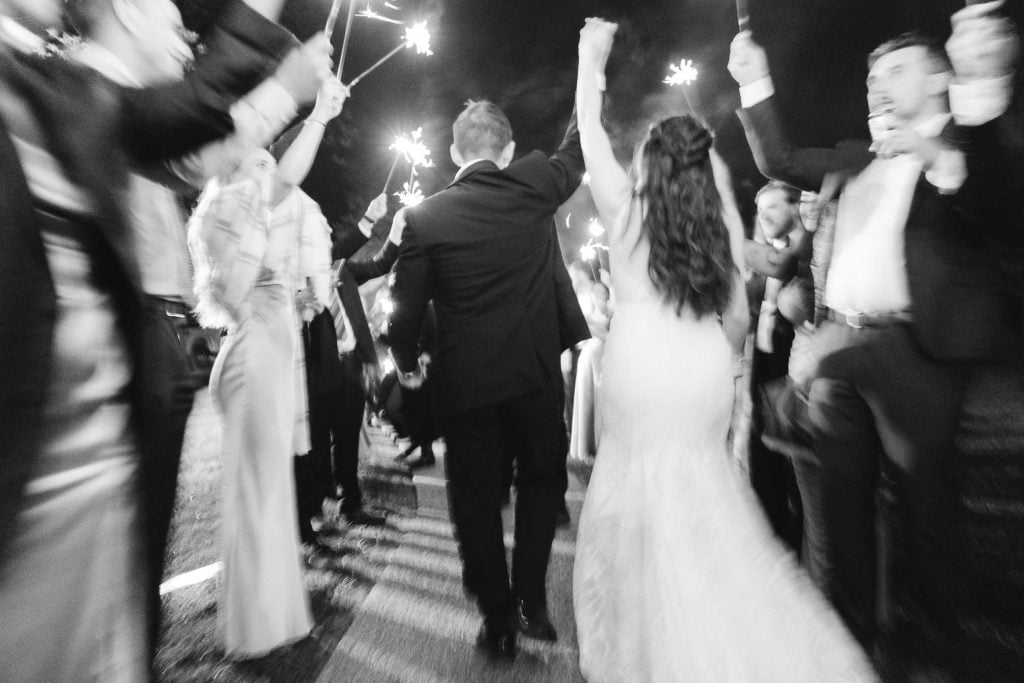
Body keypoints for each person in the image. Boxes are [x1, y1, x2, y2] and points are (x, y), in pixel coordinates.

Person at [0, 0, 329, 678]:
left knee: (124, 576)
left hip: (108, 418)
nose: (187, 35)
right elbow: (195, 132)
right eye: (170, 15)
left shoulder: (67, 91)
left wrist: (294, 97)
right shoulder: (73, 92)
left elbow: (194, 118)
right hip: (51, 458)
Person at [572, 18, 876, 682]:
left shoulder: (624, 213)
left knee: (639, 498)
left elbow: (590, 132)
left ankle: (655, 646)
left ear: (648, 165)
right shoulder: (721, 222)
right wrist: (718, 358)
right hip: (702, 368)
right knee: (703, 497)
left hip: (642, 367)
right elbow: (736, 318)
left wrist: (589, 59)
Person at [728, 5, 1024, 672]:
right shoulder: (856, 156)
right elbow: (779, 156)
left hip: (917, 356)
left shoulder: (969, 146)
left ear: (941, 76)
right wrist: (755, 79)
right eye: (874, 76)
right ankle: (849, 648)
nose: (880, 84)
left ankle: (934, 649)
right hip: (839, 352)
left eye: (896, 70)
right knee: (842, 522)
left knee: (927, 518)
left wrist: (942, 139)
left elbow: (993, 200)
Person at [387, 92, 585, 657]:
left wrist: (406, 367)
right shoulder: (535, 184)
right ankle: (529, 599)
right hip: (533, 374)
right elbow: (577, 146)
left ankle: (496, 617)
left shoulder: (425, 217)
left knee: (473, 500)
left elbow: (404, 311)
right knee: (542, 482)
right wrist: (586, 72)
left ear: (454, 152)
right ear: (511, 149)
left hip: (466, 385)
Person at [188, 78, 347, 659]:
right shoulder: (228, 210)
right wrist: (319, 120)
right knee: (258, 496)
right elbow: (285, 182)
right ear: (231, 163)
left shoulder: (246, 207)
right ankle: (255, 629)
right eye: (255, 156)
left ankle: (276, 619)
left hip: (271, 356)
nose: (265, 165)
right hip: (253, 359)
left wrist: (320, 118)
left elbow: (284, 182)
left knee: (269, 494)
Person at [294, 194, 404, 542]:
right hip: (317, 374)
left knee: (346, 443)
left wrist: (397, 231)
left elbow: (381, 263)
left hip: (351, 369)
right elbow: (334, 250)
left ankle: (350, 505)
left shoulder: (345, 270)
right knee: (313, 449)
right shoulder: (301, 277)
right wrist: (367, 222)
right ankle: (310, 516)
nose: (326, 243)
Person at [568, 279, 611, 463]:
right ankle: (586, 444)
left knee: (598, 400)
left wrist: (595, 329)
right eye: (596, 294)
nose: (598, 298)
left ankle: (598, 442)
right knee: (586, 399)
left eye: (601, 294)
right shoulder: (587, 313)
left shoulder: (610, 315)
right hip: (588, 358)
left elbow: (609, 336)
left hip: (601, 358)